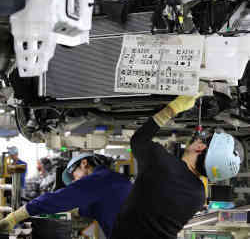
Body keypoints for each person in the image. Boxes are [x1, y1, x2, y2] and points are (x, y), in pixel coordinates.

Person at [110, 94, 242, 239]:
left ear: (200, 147)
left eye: (205, 139)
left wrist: (172, 109)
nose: (198, 138)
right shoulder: (197, 195)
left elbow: (139, 140)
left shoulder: (164, 165)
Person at [0, 152, 132, 238]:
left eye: (73, 176)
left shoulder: (98, 179)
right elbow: (95, 209)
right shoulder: (113, 179)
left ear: (84, 163)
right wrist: (74, 210)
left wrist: (16, 216)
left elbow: (58, 198)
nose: (74, 181)